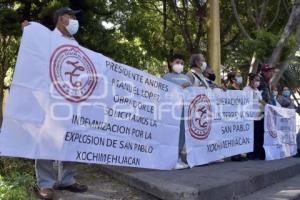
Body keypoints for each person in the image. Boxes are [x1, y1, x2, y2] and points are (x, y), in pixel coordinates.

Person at [22, 7, 88, 200]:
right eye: (72, 16)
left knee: (72, 139)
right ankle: (45, 184)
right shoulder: (45, 38)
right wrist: (28, 32)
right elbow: (33, 57)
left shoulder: (75, 44)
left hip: (72, 99)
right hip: (50, 98)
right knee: (45, 139)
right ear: (61, 19)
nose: (75, 19)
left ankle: (67, 180)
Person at [163, 53, 191, 169]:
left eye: (182, 63)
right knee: (171, 134)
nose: (179, 65)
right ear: (171, 63)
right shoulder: (166, 77)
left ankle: (178, 157)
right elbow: (163, 93)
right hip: (171, 111)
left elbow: (192, 93)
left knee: (182, 135)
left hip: (184, 111)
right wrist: (179, 89)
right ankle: (171, 159)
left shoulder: (186, 78)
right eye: (177, 62)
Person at [244, 73, 266, 160]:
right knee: (252, 136)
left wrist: (266, 105)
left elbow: (260, 101)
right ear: (251, 81)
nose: (258, 82)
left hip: (259, 116)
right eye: (256, 80)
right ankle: (252, 153)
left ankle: (258, 152)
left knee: (259, 135)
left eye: (258, 80)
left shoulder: (257, 91)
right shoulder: (246, 90)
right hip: (251, 117)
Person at [227, 71, 247, 161]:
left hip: (241, 115)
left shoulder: (241, 89)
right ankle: (234, 155)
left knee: (239, 134)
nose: (240, 78)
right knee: (233, 134)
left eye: (240, 76)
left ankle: (239, 152)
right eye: (238, 76)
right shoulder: (230, 89)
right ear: (232, 79)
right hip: (233, 115)